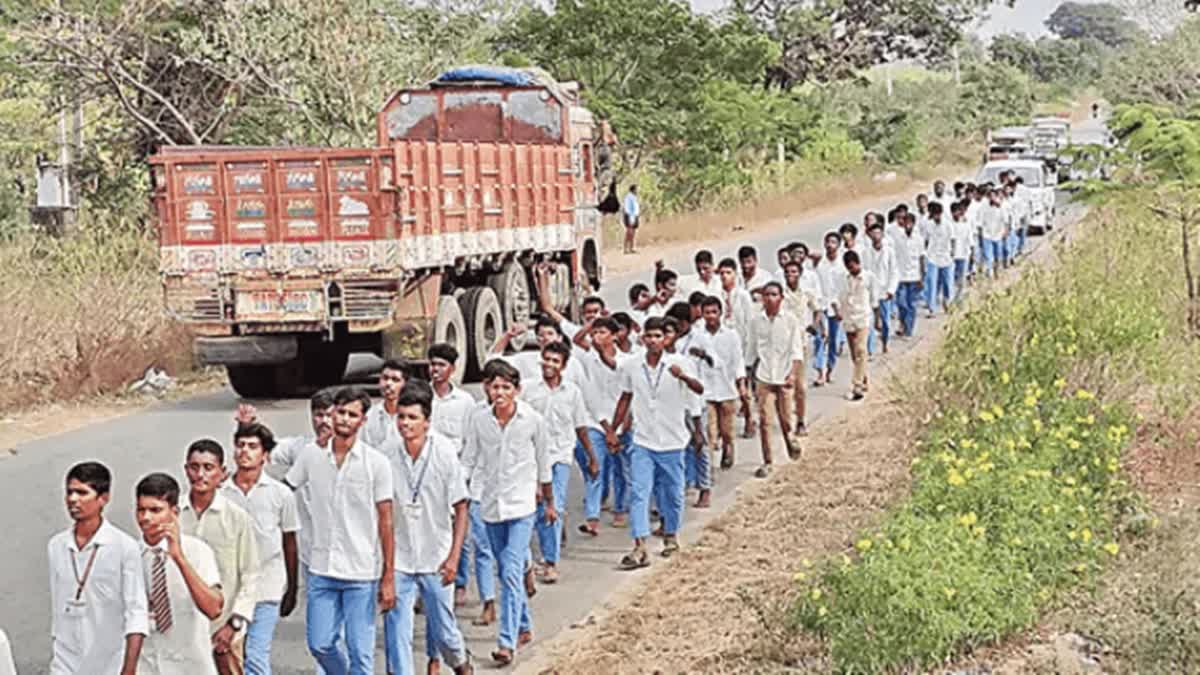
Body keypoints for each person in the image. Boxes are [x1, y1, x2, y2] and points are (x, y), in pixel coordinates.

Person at [285, 387, 395, 675]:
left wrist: (389, 576)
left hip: (361, 572)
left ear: (363, 420)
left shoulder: (377, 463)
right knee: (320, 644)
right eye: (341, 412)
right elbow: (286, 490)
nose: (344, 419)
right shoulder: (311, 455)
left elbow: (386, 521)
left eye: (352, 414)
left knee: (361, 652)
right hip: (322, 568)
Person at [244, 390, 343, 675]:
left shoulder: (357, 453)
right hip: (314, 556)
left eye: (329, 414)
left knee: (346, 632)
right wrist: (248, 424)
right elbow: (262, 450)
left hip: (353, 558)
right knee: (321, 636)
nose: (324, 421)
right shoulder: (302, 449)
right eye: (318, 414)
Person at [461, 361, 553, 666]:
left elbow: (544, 463)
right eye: (494, 386)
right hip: (490, 506)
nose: (499, 392)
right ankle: (524, 625)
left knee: (512, 571)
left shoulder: (532, 420)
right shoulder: (479, 420)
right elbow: (470, 459)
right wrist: (458, 495)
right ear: (486, 387)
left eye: (505, 387)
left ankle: (506, 642)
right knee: (506, 570)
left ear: (517, 390)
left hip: (522, 506)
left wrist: (549, 503)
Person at [379, 381, 474, 675]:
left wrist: (454, 558)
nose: (405, 424)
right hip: (400, 559)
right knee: (397, 633)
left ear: (427, 421)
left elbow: (461, 508)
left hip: (436, 555)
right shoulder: (386, 452)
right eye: (402, 417)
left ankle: (460, 662)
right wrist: (384, 567)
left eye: (412, 418)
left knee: (444, 631)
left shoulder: (444, 452)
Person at [611, 317, 704, 568]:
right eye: (649, 336)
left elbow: (698, 389)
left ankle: (671, 536)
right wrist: (614, 429)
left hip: (673, 441)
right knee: (640, 493)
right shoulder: (632, 365)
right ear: (643, 338)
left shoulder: (679, 363)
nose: (653, 341)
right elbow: (625, 398)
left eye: (658, 336)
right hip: (644, 440)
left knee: (672, 494)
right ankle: (640, 546)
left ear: (667, 338)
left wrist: (682, 376)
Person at [48, 462, 148, 675]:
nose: (73, 499)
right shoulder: (57, 546)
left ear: (103, 498)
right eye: (70, 492)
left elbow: (136, 611)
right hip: (65, 662)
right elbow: (58, 606)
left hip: (109, 663)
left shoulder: (124, 547)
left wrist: (129, 669)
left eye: (82, 492)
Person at [220, 424, 301, 675]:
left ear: (265, 455)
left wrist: (292, 588)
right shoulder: (221, 493)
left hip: (267, 587)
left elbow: (289, 542)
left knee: (256, 654)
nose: (245, 451)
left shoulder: (281, 494)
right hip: (230, 590)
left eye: (253, 447)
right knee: (228, 654)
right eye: (241, 445)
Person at [179, 440, 259, 675]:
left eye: (208, 467)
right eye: (194, 467)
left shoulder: (236, 518)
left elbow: (250, 574)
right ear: (186, 470)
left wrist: (234, 624)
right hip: (182, 631)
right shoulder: (173, 514)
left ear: (222, 473)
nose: (200, 474)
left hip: (223, 630)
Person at [134, 472, 225, 675]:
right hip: (146, 666)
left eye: (155, 510)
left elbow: (214, 608)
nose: (146, 518)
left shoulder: (198, 551)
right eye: (141, 510)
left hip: (190, 666)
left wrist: (179, 558)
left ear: (174, 512)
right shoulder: (129, 557)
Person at [521, 341, 596, 584]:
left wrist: (591, 457)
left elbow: (580, 425)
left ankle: (551, 561)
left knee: (555, 507)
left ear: (563, 366)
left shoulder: (571, 392)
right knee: (532, 507)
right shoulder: (529, 390)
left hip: (560, 456)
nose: (549, 365)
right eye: (547, 359)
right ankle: (529, 560)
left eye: (555, 361)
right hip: (531, 459)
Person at [571, 317, 629, 532]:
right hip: (595, 421)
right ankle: (592, 516)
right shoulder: (589, 357)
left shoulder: (626, 361)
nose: (596, 336)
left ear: (615, 336)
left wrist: (617, 428)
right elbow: (577, 339)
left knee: (621, 470)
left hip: (620, 422)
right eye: (595, 333)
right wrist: (591, 324)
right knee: (594, 466)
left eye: (603, 332)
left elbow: (626, 393)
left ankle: (621, 508)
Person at [746, 282, 805, 478]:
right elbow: (751, 350)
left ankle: (790, 439)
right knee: (765, 420)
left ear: (781, 298)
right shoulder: (756, 321)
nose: (770, 298)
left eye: (774, 295)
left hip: (784, 375)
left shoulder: (790, 320)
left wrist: (793, 374)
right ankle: (768, 461)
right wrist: (747, 377)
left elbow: (797, 351)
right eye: (767, 295)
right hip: (764, 376)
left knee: (786, 418)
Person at [665, 302, 712, 507]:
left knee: (699, 447)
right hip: (673, 408)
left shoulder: (696, 341)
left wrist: (698, 426)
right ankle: (680, 488)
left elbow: (696, 388)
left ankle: (705, 487)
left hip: (693, 405)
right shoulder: (664, 353)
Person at [699, 296, 746, 477]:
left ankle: (728, 448)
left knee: (726, 429)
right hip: (707, 390)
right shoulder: (698, 336)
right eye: (707, 313)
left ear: (721, 313)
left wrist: (741, 382)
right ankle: (708, 467)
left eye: (714, 312)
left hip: (727, 388)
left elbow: (738, 360)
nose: (711, 316)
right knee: (709, 431)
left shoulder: (731, 335)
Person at [716, 257, 756, 437]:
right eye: (722, 273)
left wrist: (749, 352)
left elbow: (749, 323)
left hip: (740, 347)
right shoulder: (716, 295)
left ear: (735, 274)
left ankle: (749, 419)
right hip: (720, 347)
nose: (725, 276)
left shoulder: (743, 296)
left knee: (743, 387)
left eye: (728, 273)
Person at [488, 316, 586, 389]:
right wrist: (508, 335)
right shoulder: (525, 360)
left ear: (560, 338)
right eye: (541, 335)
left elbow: (585, 392)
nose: (546, 338)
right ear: (537, 339)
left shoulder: (573, 363)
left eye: (550, 333)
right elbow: (494, 360)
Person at [780, 260, 821, 432]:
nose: (790, 275)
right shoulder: (780, 294)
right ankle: (787, 421)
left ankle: (801, 420)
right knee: (785, 386)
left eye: (794, 272)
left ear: (799, 274)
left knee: (800, 386)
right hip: (782, 345)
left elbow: (818, 310)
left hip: (800, 343)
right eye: (787, 272)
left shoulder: (806, 293)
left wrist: (815, 324)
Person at [837, 251, 879, 401]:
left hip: (863, 318)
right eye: (848, 267)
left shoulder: (868, 278)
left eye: (852, 266)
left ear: (858, 263)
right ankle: (864, 379)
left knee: (861, 349)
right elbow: (841, 297)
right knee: (855, 354)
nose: (851, 269)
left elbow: (875, 299)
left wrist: (877, 319)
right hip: (849, 319)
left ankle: (857, 385)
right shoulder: (844, 279)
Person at [812, 231, 845, 387]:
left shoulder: (842, 265)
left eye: (833, 242)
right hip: (821, 306)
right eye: (828, 242)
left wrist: (840, 308)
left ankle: (830, 369)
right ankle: (820, 372)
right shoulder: (819, 263)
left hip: (836, 308)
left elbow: (843, 288)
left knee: (833, 341)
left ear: (839, 245)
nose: (830, 245)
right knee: (819, 339)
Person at [862, 222, 898, 355]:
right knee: (869, 321)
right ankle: (870, 349)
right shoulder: (865, 253)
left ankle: (885, 342)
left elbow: (894, 271)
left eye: (878, 233)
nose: (876, 235)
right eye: (873, 233)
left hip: (884, 291)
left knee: (885, 322)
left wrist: (891, 289)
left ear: (882, 234)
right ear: (869, 235)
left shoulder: (889, 252)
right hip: (869, 292)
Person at [362, 359, 408, 449]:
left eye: (395, 380)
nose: (388, 383)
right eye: (385, 378)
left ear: (405, 384)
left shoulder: (412, 417)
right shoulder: (370, 415)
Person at [894, 213, 925, 338]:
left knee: (911, 304)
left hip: (914, 276)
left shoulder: (918, 239)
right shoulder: (897, 238)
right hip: (901, 276)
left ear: (913, 224)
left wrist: (922, 276)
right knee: (902, 303)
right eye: (905, 222)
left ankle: (908, 330)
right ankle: (902, 322)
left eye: (910, 223)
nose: (908, 225)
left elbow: (921, 257)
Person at [924, 202, 955, 318]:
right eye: (933, 214)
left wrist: (952, 252)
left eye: (937, 214)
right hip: (932, 257)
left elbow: (953, 239)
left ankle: (947, 302)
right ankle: (931, 308)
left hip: (946, 257)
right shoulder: (928, 225)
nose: (935, 217)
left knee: (947, 283)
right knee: (932, 283)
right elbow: (926, 240)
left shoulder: (948, 224)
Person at [979, 188, 1008, 278]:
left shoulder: (1001, 207)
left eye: (993, 196)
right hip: (986, 234)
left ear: (996, 196)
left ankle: (996, 271)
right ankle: (990, 272)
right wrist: (981, 233)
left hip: (998, 235)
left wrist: (1005, 232)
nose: (992, 198)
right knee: (988, 256)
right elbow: (980, 222)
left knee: (997, 255)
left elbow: (1006, 221)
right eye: (990, 196)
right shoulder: (984, 207)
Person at [949, 200, 973, 301]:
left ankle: (958, 299)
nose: (956, 213)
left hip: (964, 254)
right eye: (954, 211)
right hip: (951, 256)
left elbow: (970, 240)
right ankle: (950, 298)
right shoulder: (948, 224)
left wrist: (972, 254)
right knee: (950, 279)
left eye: (958, 211)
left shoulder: (966, 224)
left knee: (961, 279)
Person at [622, 185, 640, 254]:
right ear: (633, 190)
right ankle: (626, 248)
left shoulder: (634, 197)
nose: (637, 191)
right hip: (629, 216)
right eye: (636, 189)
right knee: (629, 232)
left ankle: (632, 247)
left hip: (634, 216)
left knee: (633, 232)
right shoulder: (628, 197)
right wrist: (630, 218)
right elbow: (627, 208)